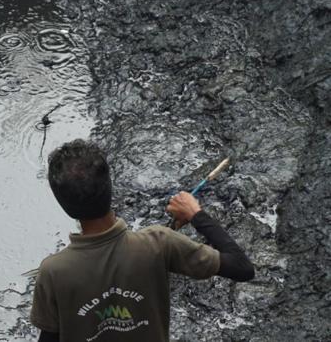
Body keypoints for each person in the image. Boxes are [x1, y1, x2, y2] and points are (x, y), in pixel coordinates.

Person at [30, 139, 254, 342]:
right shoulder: (158, 244)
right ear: (110, 186)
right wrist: (196, 214)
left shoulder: (53, 271)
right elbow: (242, 267)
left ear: (63, 204)